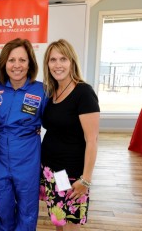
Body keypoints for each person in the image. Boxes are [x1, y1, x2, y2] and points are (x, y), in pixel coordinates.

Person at [39, 39, 100, 231]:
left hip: (73, 173)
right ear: (47, 64)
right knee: (59, 220)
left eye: (63, 59)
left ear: (72, 62)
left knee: (71, 225)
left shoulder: (84, 92)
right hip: (52, 170)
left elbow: (92, 140)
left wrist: (86, 179)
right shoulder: (52, 92)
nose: (58, 65)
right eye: (53, 60)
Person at [0, 38, 48, 231]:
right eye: (11, 60)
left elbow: (57, 123)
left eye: (22, 60)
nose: (17, 65)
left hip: (27, 158)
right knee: (1, 208)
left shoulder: (42, 90)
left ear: (30, 63)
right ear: (4, 63)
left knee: (27, 209)